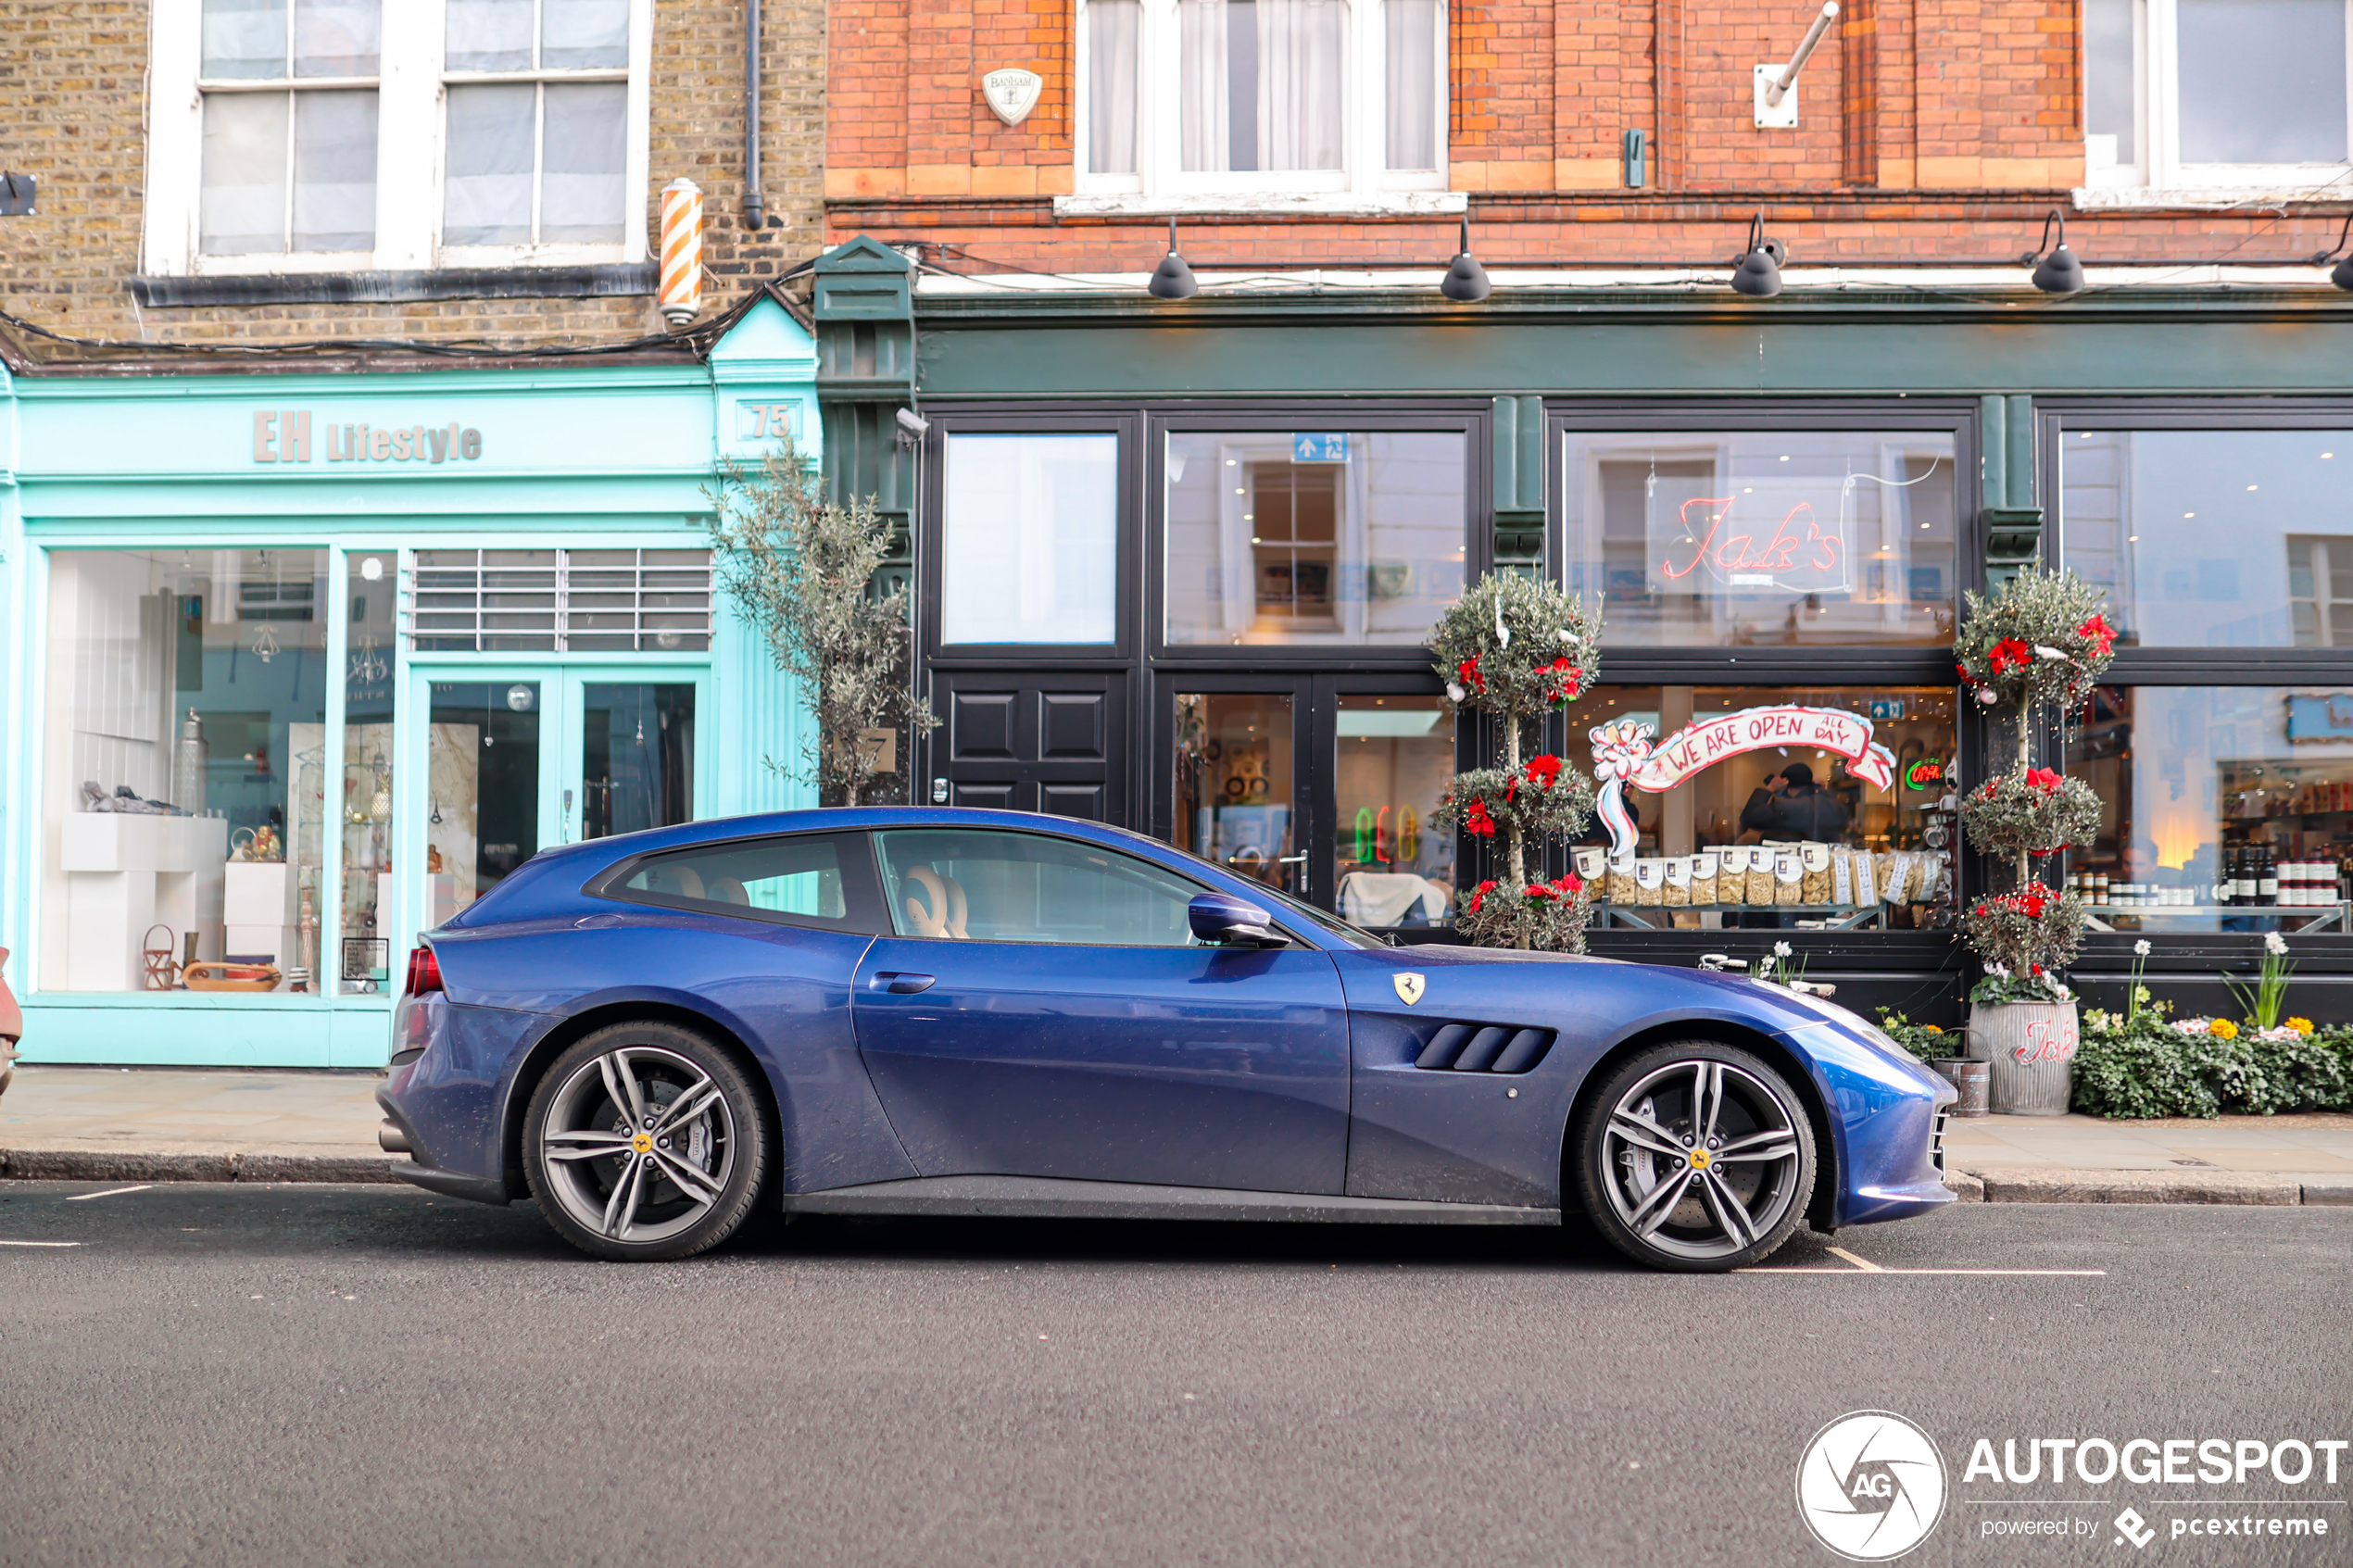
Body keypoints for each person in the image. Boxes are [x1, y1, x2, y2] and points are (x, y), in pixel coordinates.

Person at [1765, 762, 1850, 841]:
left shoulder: (1788, 806)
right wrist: (1824, 793)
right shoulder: (1834, 805)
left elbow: (1759, 818)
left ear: (1789, 789)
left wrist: (1771, 788)